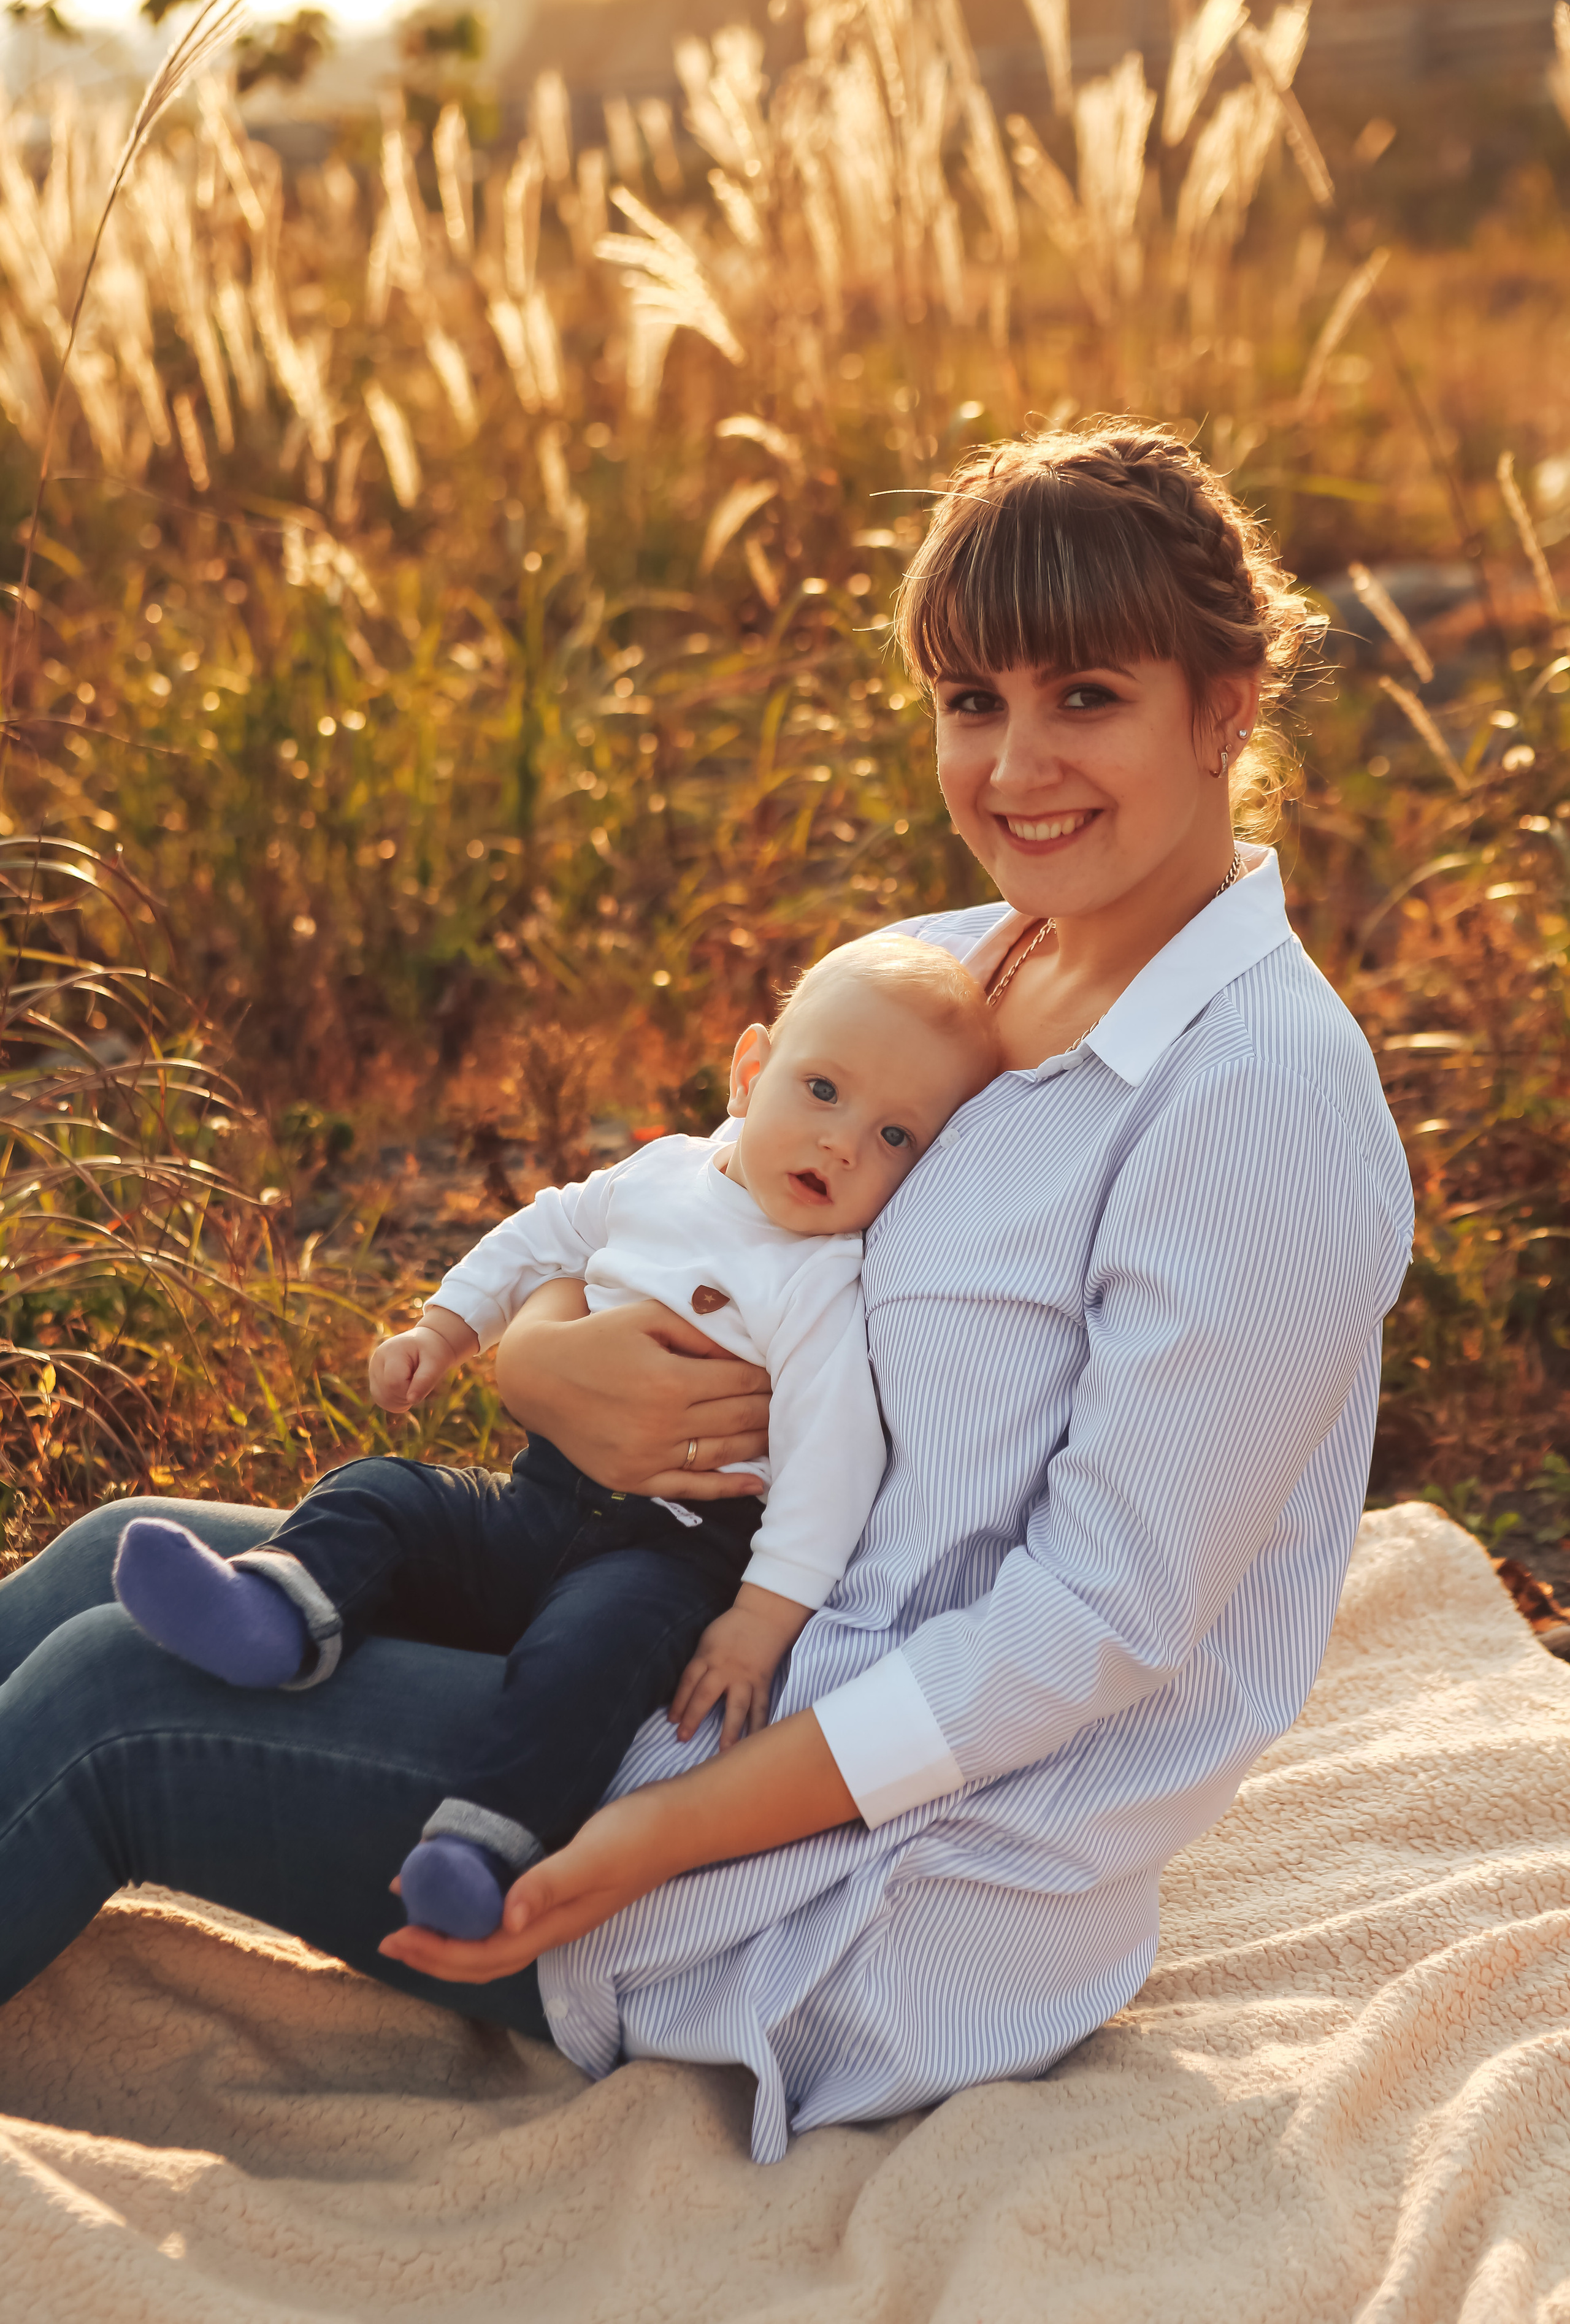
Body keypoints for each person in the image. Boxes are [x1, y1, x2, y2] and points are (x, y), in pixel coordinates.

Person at [0, 422, 1413, 2165]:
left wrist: (653, 1843)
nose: (1017, 764)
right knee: (114, 1544)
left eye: (1089, 697)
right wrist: (533, 1361)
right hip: (664, 1606)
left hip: (847, 1867)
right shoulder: (968, 966)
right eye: (973, 701)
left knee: (116, 1706)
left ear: (1229, 705)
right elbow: (691, 1215)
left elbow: (1095, 1631)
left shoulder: (1259, 1101)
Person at [105, 938, 997, 1942]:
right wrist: (445, 1327)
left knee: (592, 1662)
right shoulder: (661, 1173)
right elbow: (543, 1234)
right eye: (823, 1090)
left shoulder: (822, 1282)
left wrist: (758, 1622)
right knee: (387, 1492)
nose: (842, 1145)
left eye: (895, 1138)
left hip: (670, 1552)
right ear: (751, 1072)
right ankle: (275, 1614)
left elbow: (834, 1470)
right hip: (537, 1499)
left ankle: (479, 1843)